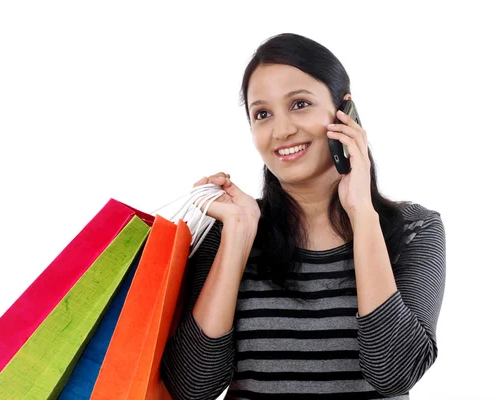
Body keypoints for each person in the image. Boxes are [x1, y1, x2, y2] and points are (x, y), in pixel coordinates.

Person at [160, 32, 446, 400]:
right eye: (262, 114)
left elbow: (396, 372)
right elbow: (191, 387)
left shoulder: (414, 229)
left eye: (299, 104)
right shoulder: (228, 230)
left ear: (345, 114)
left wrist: (361, 212)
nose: (281, 130)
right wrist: (239, 236)